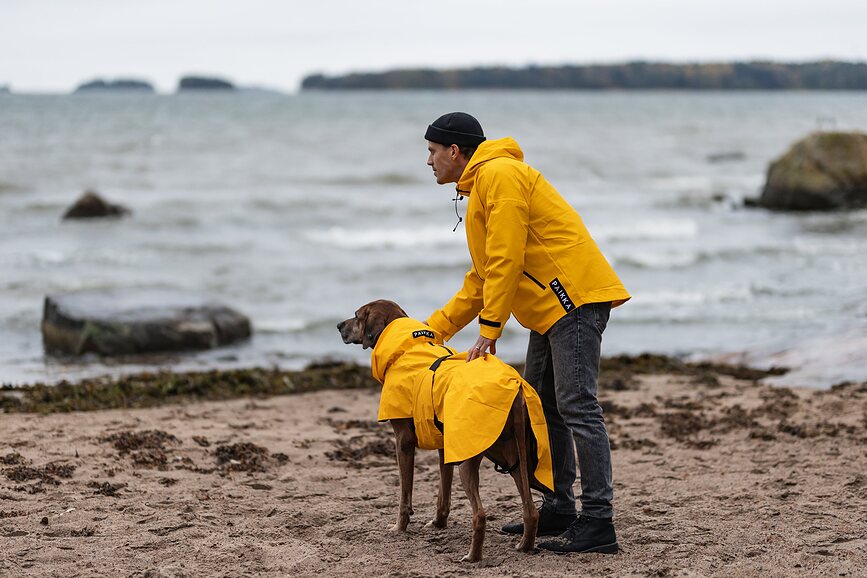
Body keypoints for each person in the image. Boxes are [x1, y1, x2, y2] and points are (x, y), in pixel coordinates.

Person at [423, 112, 631, 554]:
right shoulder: (481, 186)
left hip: (571, 299)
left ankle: (599, 522)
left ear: (455, 151)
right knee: (542, 403)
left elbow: (507, 257)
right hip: (548, 310)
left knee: (578, 405)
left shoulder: (499, 175)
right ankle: (558, 506)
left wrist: (491, 328)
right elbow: (482, 277)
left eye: (432, 151)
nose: (429, 161)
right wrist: (432, 331)